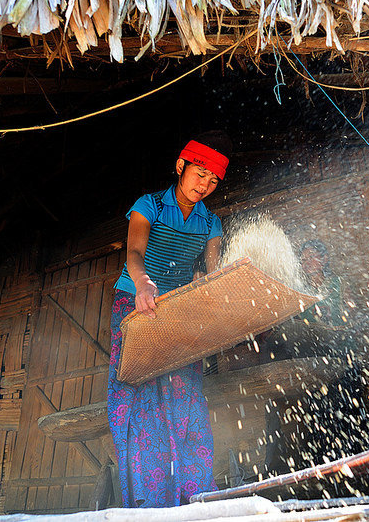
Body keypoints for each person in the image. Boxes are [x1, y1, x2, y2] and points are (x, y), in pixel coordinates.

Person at [107, 132, 232, 508]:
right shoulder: (150, 206)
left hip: (177, 311)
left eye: (213, 180)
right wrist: (143, 284)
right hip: (136, 302)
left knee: (186, 396)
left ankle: (193, 497)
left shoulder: (211, 224)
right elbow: (134, 252)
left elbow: (213, 273)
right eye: (200, 173)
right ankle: (147, 502)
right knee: (140, 398)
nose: (205, 185)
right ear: (181, 166)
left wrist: (216, 294)